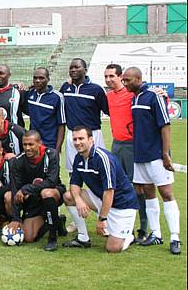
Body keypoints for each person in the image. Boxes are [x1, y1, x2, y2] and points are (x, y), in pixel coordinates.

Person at [123, 67, 181, 255]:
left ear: (139, 78)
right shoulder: (135, 98)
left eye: (128, 80)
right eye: (123, 80)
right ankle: (156, 234)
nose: (125, 83)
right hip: (140, 155)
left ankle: (174, 237)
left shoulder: (153, 96)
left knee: (166, 192)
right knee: (148, 192)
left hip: (156, 154)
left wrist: (165, 154)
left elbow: (165, 125)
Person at [63, 126, 138, 253]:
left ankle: (129, 235)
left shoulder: (103, 158)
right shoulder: (78, 158)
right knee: (69, 196)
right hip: (102, 199)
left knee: (112, 248)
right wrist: (78, 200)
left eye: (81, 138)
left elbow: (109, 192)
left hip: (122, 204)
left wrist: (102, 219)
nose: (77, 142)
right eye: (74, 139)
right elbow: (74, 183)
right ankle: (83, 238)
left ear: (91, 139)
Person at [104, 63, 148, 242]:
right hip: (117, 145)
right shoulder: (108, 96)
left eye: (112, 76)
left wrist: (162, 95)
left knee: (137, 185)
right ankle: (121, 226)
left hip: (131, 145)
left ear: (120, 77)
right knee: (118, 185)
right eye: (106, 77)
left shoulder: (132, 94)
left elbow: (151, 99)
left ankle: (142, 226)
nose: (108, 80)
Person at [9, 130, 67, 251]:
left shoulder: (51, 155)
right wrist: (16, 218)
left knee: (47, 192)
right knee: (29, 237)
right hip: (33, 199)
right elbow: (15, 190)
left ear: (39, 143)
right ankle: (57, 221)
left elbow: (51, 182)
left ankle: (52, 239)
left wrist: (26, 189)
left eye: (31, 144)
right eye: (25, 144)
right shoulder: (18, 161)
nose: (27, 148)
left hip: (53, 193)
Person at [59, 58, 109, 172]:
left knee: (98, 169)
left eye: (77, 67)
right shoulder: (66, 88)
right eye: (71, 68)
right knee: (73, 170)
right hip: (72, 134)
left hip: (93, 134)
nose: (73, 70)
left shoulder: (96, 89)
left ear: (85, 70)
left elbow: (108, 110)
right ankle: (75, 190)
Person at [25, 67, 66, 151]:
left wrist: (58, 148)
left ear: (48, 79)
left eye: (41, 78)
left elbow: (61, 125)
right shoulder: (30, 93)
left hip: (49, 143)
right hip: (33, 142)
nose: (37, 80)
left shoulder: (57, 97)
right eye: (35, 78)